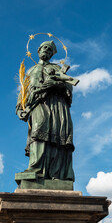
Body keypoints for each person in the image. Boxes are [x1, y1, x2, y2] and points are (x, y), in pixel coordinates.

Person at [16, 40, 75, 181]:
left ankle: (58, 174)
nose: (47, 52)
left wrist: (56, 84)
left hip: (56, 104)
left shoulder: (57, 68)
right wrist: (20, 108)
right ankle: (35, 168)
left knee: (58, 135)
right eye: (45, 48)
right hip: (38, 103)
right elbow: (23, 91)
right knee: (39, 130)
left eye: (50, 50)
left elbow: (69, 85)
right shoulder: (31, 70)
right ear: (38, 50)